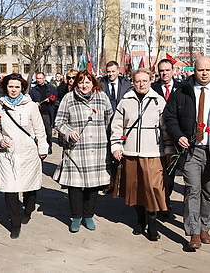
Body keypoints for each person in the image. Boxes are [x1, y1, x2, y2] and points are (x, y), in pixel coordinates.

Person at [163, 56, 210, 249]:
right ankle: (194, 232)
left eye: (207, 70)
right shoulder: (182, 91)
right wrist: (178, 135)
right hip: (191, 150)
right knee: (192, 189)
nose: (204, 73)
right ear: (194, 70)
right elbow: (169, 116)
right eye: (200, 70)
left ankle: (205, 227)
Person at [110, 68, 173, 241]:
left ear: (151, 81)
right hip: (130, 152)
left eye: (144, 81)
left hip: (153, 152)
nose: (141, 84)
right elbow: (117, 126)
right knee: (135, 189)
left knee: (152, 189)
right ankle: (139, 220)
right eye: (138, 81)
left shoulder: (158, 101)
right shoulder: (125, 101)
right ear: (132, 82)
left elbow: (166, 129)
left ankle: (152, 224)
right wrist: (116, 146)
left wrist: (168, 150)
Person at [0, 73, 48, 239]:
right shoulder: (0, 108)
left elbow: (39, 130)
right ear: (5, 87)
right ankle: (15, 223)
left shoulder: (30, 106)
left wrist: (42, 148)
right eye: (10, 86)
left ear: (22, 88)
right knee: (10, 188)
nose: (13, 90)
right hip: (7, 155)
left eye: (17, 87)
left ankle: (28, 210)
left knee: (29, 187)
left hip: (28, 153)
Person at [55, 69, 113, 233]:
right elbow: (59, 122)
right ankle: (76, 216)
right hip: (76, 150)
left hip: (97, 149)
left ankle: (88, 215)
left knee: (93, 186)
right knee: (75, 186)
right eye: (80, 82)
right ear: (76, 83)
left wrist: (113, 142)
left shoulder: (102, 97)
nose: (84, 85)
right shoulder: (69, 98)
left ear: (93, 83)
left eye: (87, 82)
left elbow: (110, 120)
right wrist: (68, 131)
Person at [151, 59, 183, 204]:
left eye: (167, 70)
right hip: (156, 135)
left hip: (176, 136)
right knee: (158, 170)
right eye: (162, 70)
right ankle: (160, 201)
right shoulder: (152, 88)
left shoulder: (182, 88)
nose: (164, 73)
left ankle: (166, 199)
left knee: (170, 172)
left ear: (173, 71)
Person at [100, 61, 132, 194]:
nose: (111, 74)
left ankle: (121, 183)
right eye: (109, 71)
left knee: (121, 153)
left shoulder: (127, 85)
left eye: (113, 71)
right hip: (105, 125)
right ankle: (109, 183)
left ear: (118, 70)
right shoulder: (101, 84)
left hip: (122, 125)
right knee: (108, 154)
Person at [30, 72, 57, 154]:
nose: (39, 80)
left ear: (44, 78)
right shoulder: (33, 90)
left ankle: (49, 146)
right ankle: (39, 147)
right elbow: (30, 101)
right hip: (38, 114)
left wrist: (51, 99)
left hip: (47, 113)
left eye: (40, 78)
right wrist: (35, 104)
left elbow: (55, 97)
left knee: (48, 132)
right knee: (38, 131)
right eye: (37, 78)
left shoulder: (51, 88)